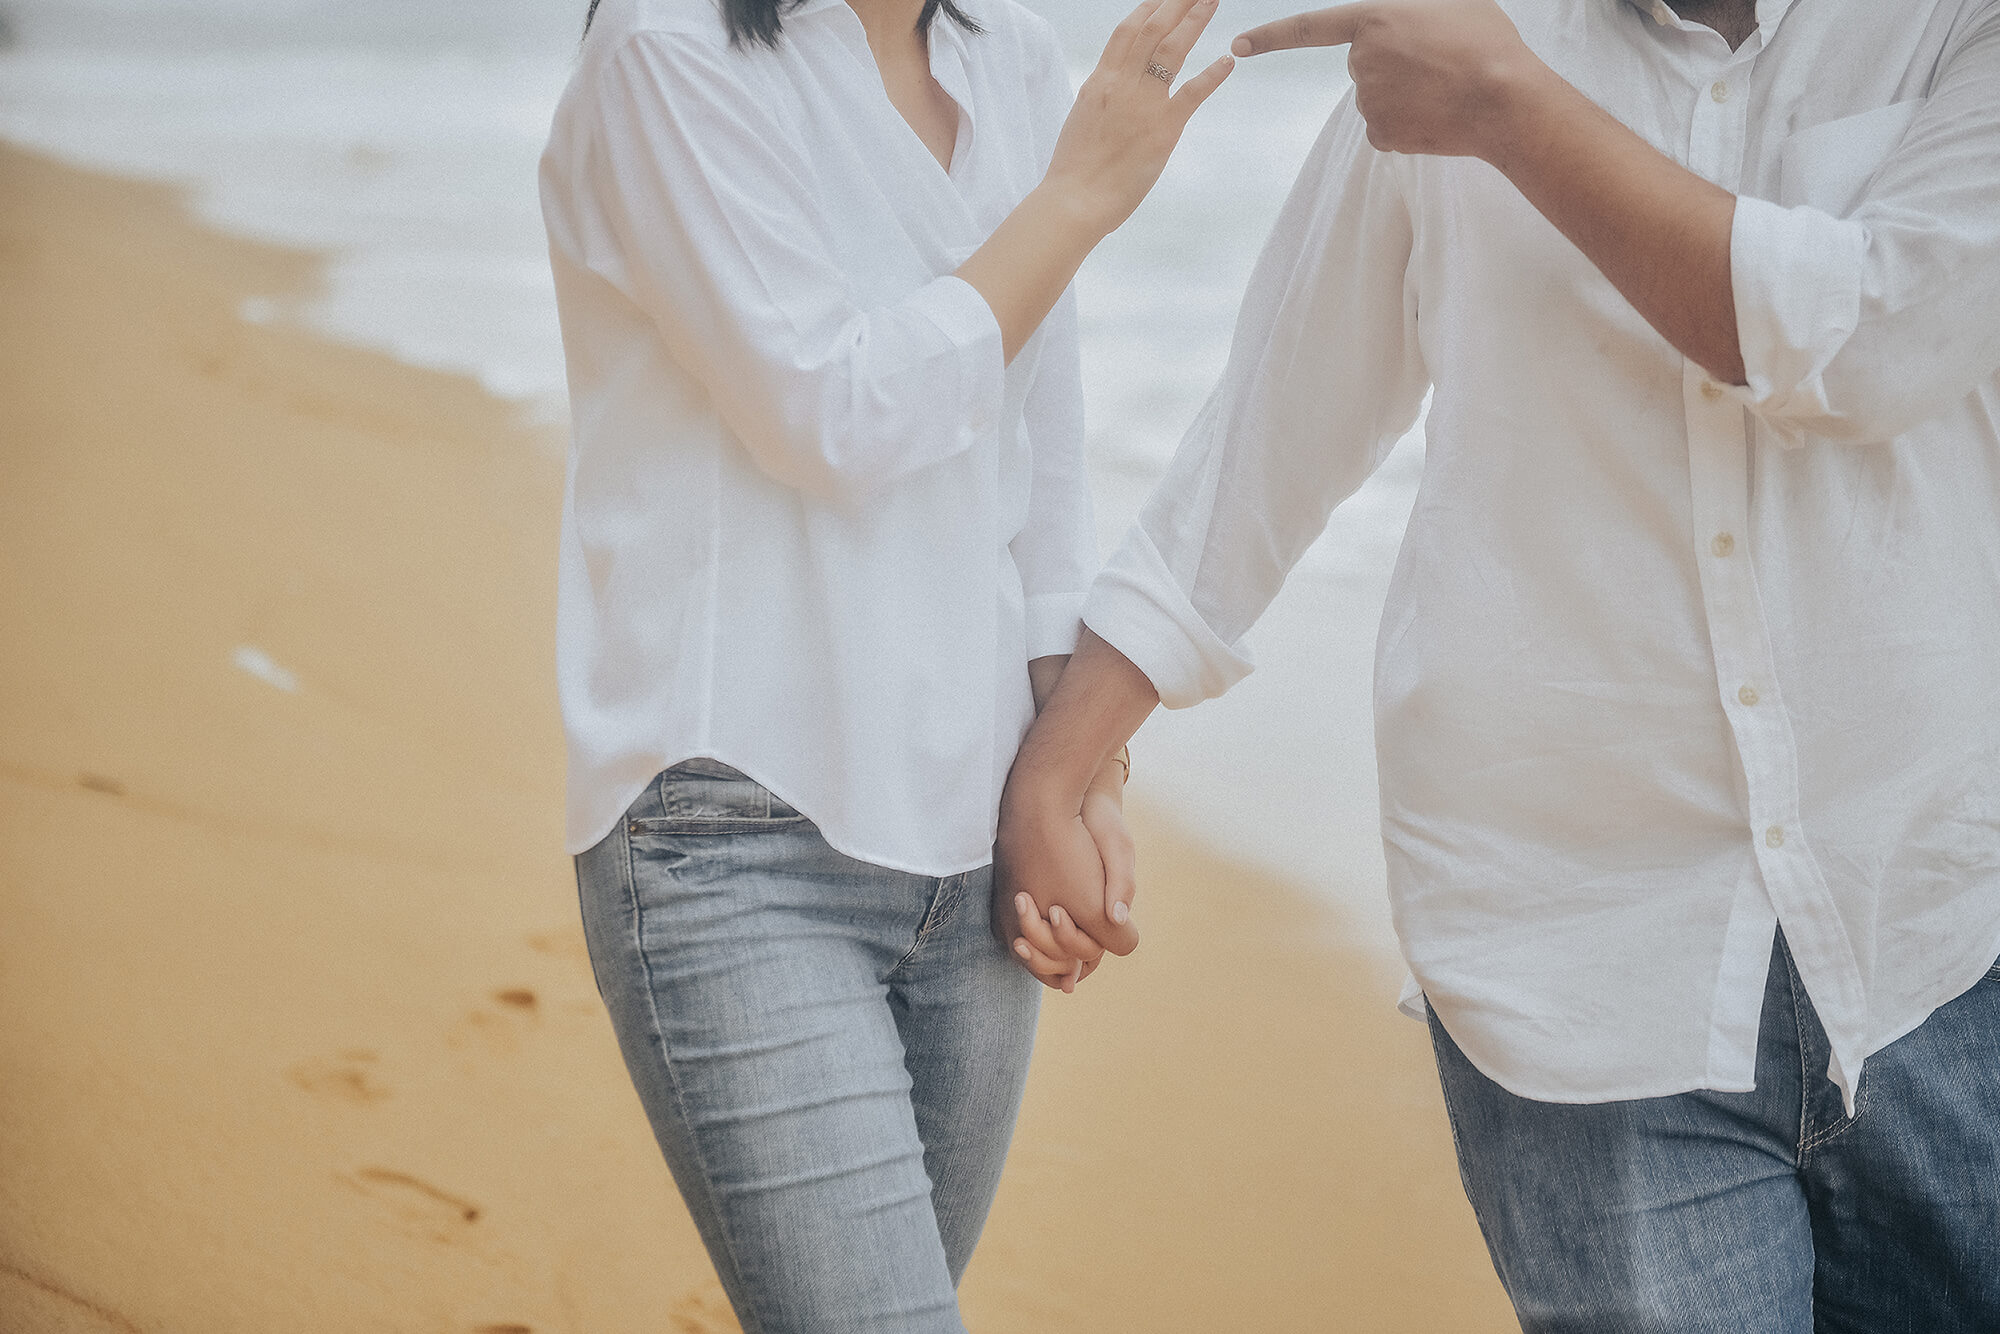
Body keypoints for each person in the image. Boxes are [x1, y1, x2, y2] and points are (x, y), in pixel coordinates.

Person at [1000, 0, 2000, 1328]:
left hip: (1936, 924)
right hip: (1578, 956)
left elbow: (1879, 338)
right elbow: (1274, 422)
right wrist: (1061, 769)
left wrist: (1512, 110)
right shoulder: (1459, 30)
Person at [537, 0, 1231, 1328]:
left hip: (966, 844)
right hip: (729, 830)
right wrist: (1078, 194)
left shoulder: (1010, 56)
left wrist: (1075, 771)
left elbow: (1046, 442)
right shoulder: (665, 48)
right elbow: (829, 411)